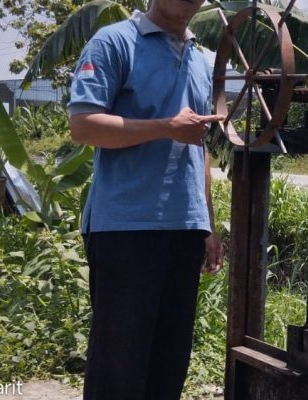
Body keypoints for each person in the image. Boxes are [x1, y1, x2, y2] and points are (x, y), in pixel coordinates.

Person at [67, 0, 223, 398]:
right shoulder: (114, 42)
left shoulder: (201, 59)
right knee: (119, 365)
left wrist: (206, 221)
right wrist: (167, 127)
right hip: (125, 227)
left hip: (185, 227)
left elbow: (198, 144)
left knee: (169, 363)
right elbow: (84, 125)